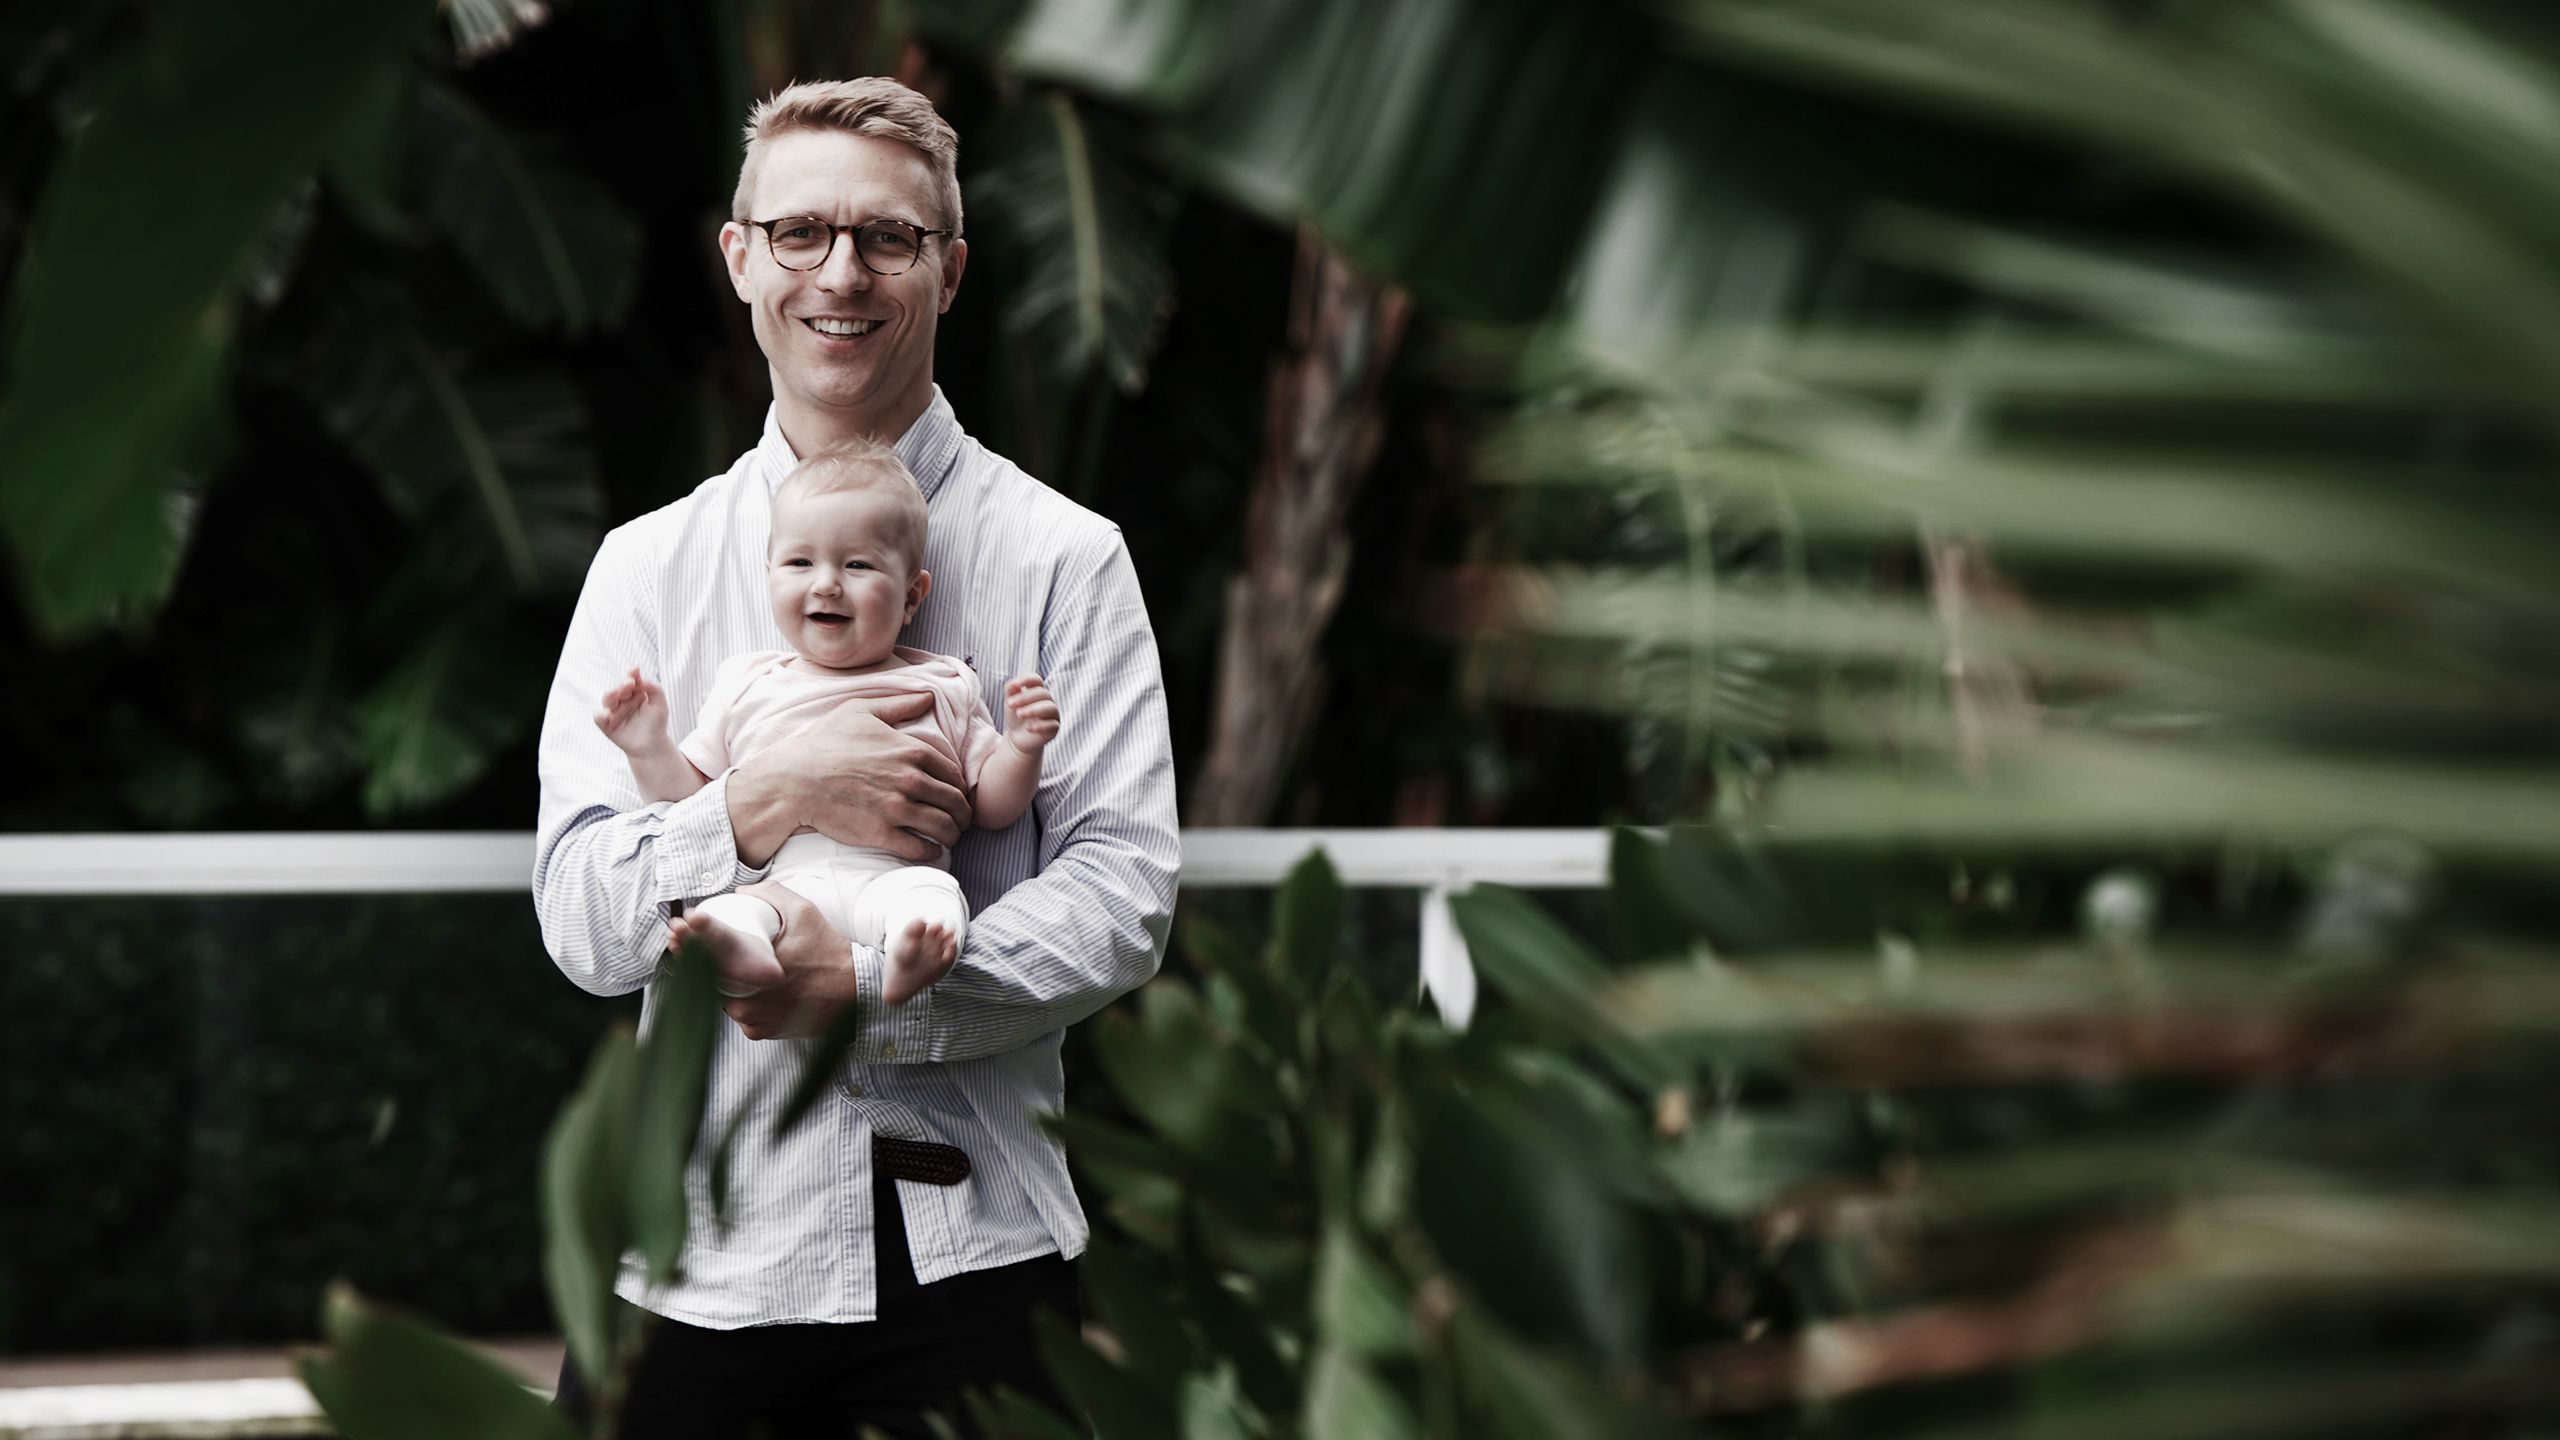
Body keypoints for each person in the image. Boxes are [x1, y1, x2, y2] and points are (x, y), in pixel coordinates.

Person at [531, 76, 1179, 1438]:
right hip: (695, 1262)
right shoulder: (646, 566)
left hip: (980, 1254)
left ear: (951, 270)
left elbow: (1121, 894)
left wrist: (871, 998)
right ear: (740, 258)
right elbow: (585, 922)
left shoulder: (1066, 557)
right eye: (800, 233)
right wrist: (761, 800)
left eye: (888, 237)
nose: (841, 274)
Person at [593, 440, 1062, 1008]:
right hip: (781, 889)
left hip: (896, 878)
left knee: (934, 900)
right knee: (732, 910)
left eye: (857, 565)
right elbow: (693, 800)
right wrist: (648, 748)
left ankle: (909, 956)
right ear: (768, 575)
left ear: (912, 596)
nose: (826, 584)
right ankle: (743, 953)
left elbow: (991, 806)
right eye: (800, 562)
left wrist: (1022, 747)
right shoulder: (746, 683)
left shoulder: (944, 684)